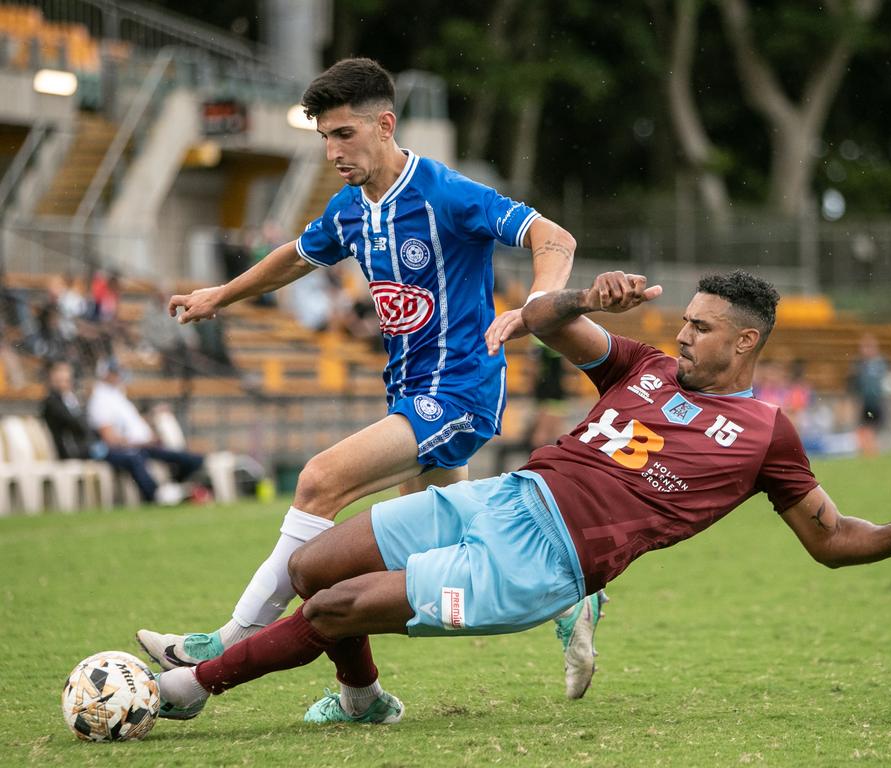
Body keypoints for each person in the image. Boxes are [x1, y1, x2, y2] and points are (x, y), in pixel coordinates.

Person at [156, 269, 891, 725]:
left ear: (746, 341)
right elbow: (544, 318)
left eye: (701, 327)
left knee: (338, 605)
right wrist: (590, 297)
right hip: (504, 497)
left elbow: (828, 538)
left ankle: (193, 689)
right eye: (684, 320)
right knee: (312, 567)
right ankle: (365, 702)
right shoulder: (646, 366)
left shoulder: (766, 435)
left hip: (542, 564)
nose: (682, 334)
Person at [138, 57, 583, 691]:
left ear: (385, 124)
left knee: (319, 481)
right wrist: (220, 296)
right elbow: (295, 256)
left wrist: (535, 308)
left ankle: (227, 637)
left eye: (343, 134)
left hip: (459, 391)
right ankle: (368, 693)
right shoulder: (351, 208)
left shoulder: (446, 194)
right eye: (323, 138)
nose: (332, 151)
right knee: (413, 556)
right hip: (408, 394)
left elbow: (555, 238)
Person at [87, 358, 205, 504]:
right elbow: (110, 439)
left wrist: (151, 416)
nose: (120, 375)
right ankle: (156, 497)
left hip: (143, 445)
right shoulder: (100, 400)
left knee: (191, 459)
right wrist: (140, 442)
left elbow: (131, 425)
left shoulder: (117, 395)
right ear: (106, 374)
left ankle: (172, 491)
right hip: (123, 449)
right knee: (135, 458)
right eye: (115, 372)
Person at [849, 333, 891, 457]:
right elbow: (852, 384)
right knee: (864, 429)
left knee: (871, 429)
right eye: (863, 347)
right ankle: (869, 453)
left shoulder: (883, 363)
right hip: (864, 402)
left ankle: (872, 453)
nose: (865, 350)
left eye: (868, 347)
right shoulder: (858, 364)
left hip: (877, 402)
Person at [40, 360, 93, 460]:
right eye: (60, 379)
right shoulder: (52, 402)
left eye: (67, 380)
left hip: (80, 446)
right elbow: (77, 425)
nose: (64, 383)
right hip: (68, 450)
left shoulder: (71, 398)